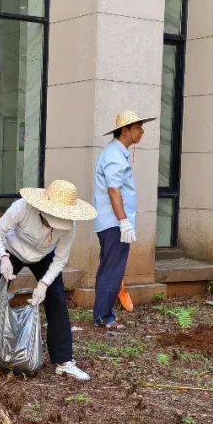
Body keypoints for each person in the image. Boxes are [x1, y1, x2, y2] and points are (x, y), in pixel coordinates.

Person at [0, 180, 95, 381]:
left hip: (44, 256)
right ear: (43, 210)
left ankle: (64, 361)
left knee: (58, 301)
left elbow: (61, 258)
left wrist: (44, 284)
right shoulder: (21, 208)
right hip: (10, 250)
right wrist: (3, 258)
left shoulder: (69, 225)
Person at [92, 110, 155, 330]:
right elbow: (113, 190)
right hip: (114, 223)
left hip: (112, 222)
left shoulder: (116, 153)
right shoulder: (114, 155)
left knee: (109, 267)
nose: (142, 131)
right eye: (137, 127)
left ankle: (102, 313)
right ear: (125, 130)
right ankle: (104, 316)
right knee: (113, 269)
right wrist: (124, 221)